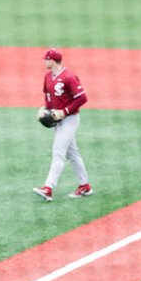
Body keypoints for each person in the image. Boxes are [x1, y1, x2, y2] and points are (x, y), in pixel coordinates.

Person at [33, 48, 93, 202]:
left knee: (58, 152)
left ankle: (48, 188)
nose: (45, 62)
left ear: (52, 61)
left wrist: (64, 111)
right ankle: (85, 186)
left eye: (46, 59)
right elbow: (48, 97)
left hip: (70, 120)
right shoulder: (47, 77)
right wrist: (44, 110)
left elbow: (82, 98)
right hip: (57, 120)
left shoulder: (69, 77)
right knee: (72, 154)